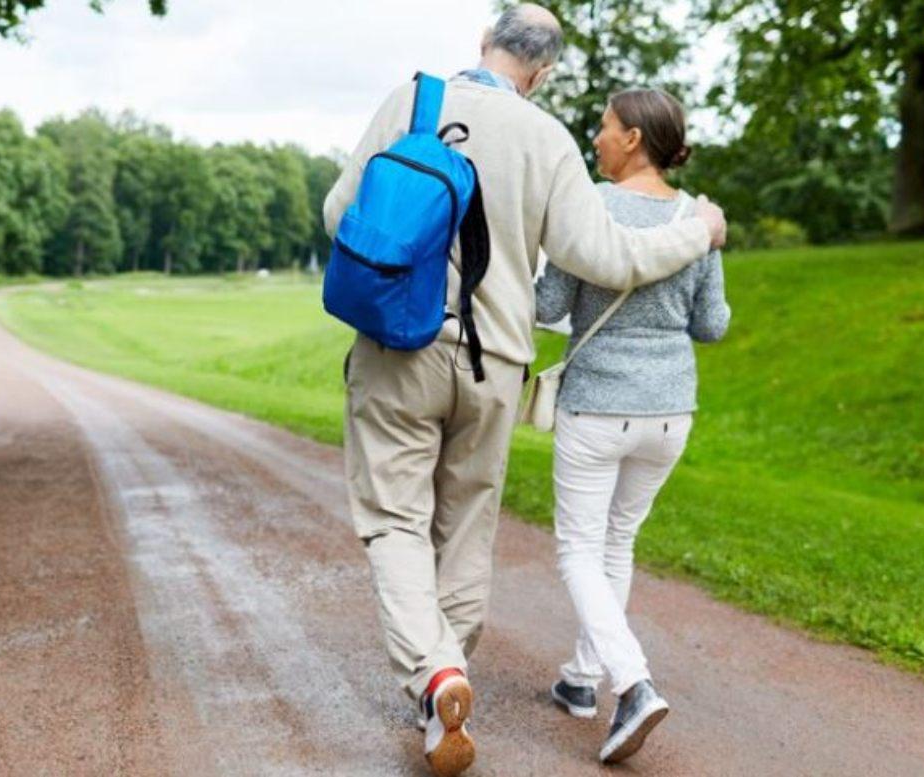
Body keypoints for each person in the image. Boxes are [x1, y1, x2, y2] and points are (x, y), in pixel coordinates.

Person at [323, 6, 727, 775]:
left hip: (396, 351)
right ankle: (447, 684)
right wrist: (698, 231)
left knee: (396, 522)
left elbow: (340, 211)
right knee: (468, 521)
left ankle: (434, 674)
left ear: (484, 45)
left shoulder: (411, 98)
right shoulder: (547, 139)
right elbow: (609, 256)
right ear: (542, 75)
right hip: (494, 363)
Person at [537, 88, 731, 765]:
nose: (596, 135)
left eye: (606, 126)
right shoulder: (697, 218)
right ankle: (581, 681)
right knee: (616, 542)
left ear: (634, 139)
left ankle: (633, 682)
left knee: (578, 548)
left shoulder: (588, 205)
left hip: (597, 404)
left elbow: (550, 302)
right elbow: (712, 324)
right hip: (671, 411)